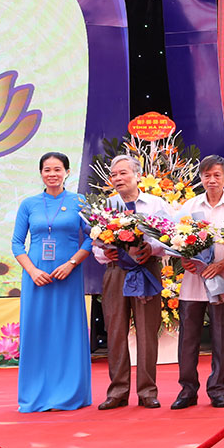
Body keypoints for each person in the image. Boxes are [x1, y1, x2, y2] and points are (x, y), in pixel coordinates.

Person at [12, 151, 92, 412]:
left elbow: (92, 237)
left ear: (67, 172)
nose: (52, 174)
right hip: (36, 278)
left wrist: (72, 263)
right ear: (41, 173)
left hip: (67, 276)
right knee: (37, 332)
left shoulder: (80, 201)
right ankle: (36, 394)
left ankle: (68, 394)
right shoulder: (29, 204)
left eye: (57, 169)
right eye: (47, 169)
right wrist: (32, 271)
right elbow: (17, 243)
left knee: (66, 332)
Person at [92, 154, 173, 409]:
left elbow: (170, 236)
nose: (118, 178)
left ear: (137, 175)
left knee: (147, 332)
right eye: (114, 175)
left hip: (146, 269)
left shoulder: (156, 204)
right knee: (115, 331)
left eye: (123, 173)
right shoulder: (106, 207)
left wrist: (153, 248)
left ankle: (147, 391)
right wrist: (104, 253)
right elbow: (95, 242)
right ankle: (117, 391)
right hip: (116, 271)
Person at [171, 155, 224, 410]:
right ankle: (187, 390)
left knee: (220, 338)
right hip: (193, 282)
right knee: (188, 339)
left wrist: (223, 263)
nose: (212, 180)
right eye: (207, 175)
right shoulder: (189, 206)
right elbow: (174, 238)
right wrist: (184, 258)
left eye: (217, 175)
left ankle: (217, 389)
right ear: (201, 178)